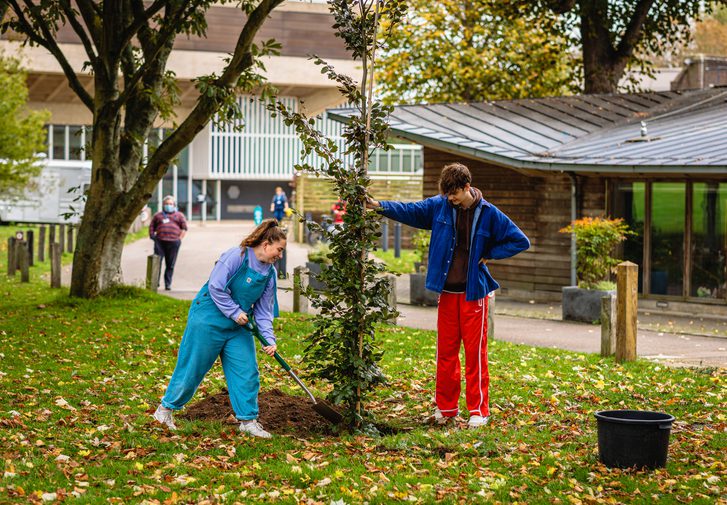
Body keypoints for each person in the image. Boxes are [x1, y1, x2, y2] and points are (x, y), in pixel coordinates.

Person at [366, 163, 530, 428]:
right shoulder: (440, 205)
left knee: (475, 354)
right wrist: (378, 205)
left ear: (467, 187)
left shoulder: (490, 214)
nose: (450, 199)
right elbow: (410, 210)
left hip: (473, 294)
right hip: (447, 292)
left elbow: (520, 240)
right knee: (446, 353)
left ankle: (478, 410)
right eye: (446, 194)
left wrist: (490, 255)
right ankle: (446, 409)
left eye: (453, 194)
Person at [153, 219, 286, 438]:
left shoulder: (269, 273)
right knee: (193, 367)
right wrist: (234, 312)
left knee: (246, 371)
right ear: (266, 244)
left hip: (238, 326)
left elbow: (263, 311)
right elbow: (216, 286)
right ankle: (164, 411)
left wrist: (269, 339)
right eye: (279, 250)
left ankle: (248, 421)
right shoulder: (237, 256)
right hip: (208, 317)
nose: (280, 255)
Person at [149, 195, 188, 291]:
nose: (168, 205)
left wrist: (179, 239)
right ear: (163, 205)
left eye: (170, 204)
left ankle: (168, 284)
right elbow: (151, 226)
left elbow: (184, 228)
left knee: (170, 264)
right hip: (160, 242)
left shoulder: (179, 215)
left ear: (174, 205)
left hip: (174, 243)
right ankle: (155, 283)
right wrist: (153, 236)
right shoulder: (158, 215)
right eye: (166, 204)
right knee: (157, 262)